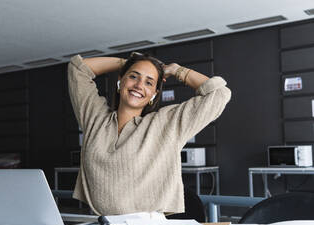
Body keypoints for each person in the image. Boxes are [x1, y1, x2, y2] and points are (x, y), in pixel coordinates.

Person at [68, 52, 231, 216]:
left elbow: (219, 94)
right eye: (133, 76)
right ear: (120, 81)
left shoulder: (165, 124)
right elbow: (78, 69)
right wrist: (129, 62)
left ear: (154, 94)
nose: (139, 85)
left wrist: (176, 70)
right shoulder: (94, 118)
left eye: (148, 82)